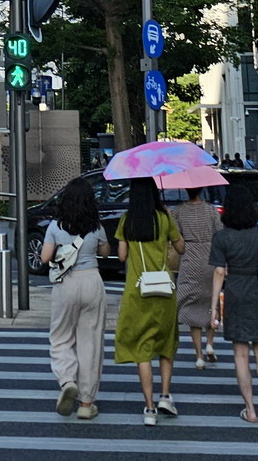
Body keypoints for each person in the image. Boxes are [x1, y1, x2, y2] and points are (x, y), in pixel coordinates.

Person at [209, 179, 258, 428]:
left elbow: (219, 273)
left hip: (236, 294)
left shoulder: (221, 238)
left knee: (241, 353)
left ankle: (250, 409)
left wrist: (214, 310)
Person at [112, 177, 183, 425]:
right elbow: (181, 248)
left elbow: (122, 256)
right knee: (165, 345)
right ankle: (165, 396)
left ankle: (150, 408)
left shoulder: (126, 220)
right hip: (164, 291)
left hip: (137, 291)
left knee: (143, 348)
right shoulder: (164, 218)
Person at [38, 177, 107, 421]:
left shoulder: (56, 226)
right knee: (91, 341)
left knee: (60, 337)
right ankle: (87, 403)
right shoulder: (95, 225)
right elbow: (105, 252)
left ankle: (67, 380)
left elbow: (45, 258)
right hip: (91, 281)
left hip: (66, 283)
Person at [173, 185, 220, 368]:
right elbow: (219, 232)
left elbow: (175, 237)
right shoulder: (211, 211)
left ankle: (199, 355)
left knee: (192, 307)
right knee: (211, 303)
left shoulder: (178, 212)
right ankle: (210, 344)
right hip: (210, 257)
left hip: (189, 258)